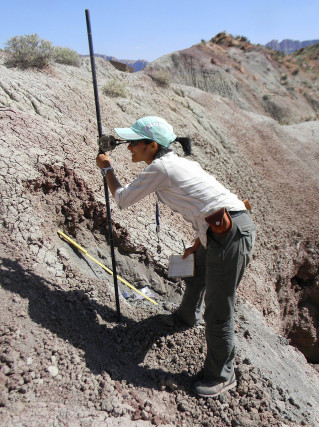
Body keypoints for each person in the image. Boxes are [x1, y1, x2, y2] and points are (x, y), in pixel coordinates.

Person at [96, 116, 256, 398]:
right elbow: (208, 202)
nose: (130, 148)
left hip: (229, 235)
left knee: (218, 311)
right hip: (218, 228)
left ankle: (222, 375)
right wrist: (200, 239)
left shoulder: (162, 167)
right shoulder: (176, 163)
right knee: (196, 275)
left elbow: (121, 199)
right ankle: (186, 316)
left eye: (134, 143)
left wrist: (107, 167)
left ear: (152, 145)